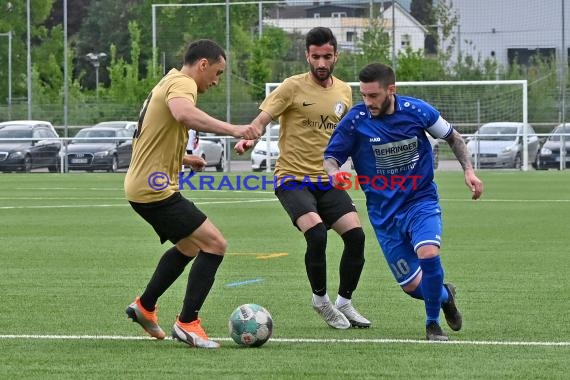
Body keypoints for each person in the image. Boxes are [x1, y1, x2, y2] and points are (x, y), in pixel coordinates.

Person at [324, 62, 483, 341]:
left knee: (429, 253)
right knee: (412, 287)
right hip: (384, 215)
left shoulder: (418, 111)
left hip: (420, 201)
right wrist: (335, 173)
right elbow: (331, 158)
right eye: (363, 95)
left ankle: (432, 324)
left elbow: (453, 138)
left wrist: (468, 170)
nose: (368, 101)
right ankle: (445, 295)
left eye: (373, 96)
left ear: (391, 90)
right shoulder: (355, 120)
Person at [124, 39, 260, 349]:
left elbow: (148, 137)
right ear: (203, 65)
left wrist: (184, 158)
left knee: (188, 246)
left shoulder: (168, 81)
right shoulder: (184, 83)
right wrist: (235, 129)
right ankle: (187, 323)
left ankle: (145, 306)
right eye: (218, 72)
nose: (216, 80)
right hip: (154, 189)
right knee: (215, 244)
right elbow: (183, 114)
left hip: (144, 186)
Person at [235, 27, 370, 329]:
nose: (321, 63)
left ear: (336, 55)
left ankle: (344, 302)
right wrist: (249, 138)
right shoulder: (291, 87)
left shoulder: (345, 92)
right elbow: (262, 119)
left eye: (327, 57)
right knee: (317, 234)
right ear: (307, 56)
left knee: (356, 237)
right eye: (315, 57)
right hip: (292, 179)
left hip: (326, 181)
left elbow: (346, 135)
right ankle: (320, 300)